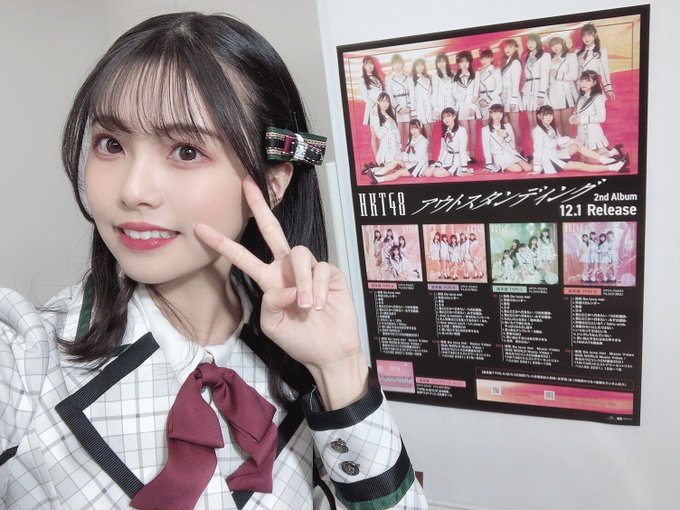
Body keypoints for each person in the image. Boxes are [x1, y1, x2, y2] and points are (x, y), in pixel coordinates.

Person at [0, 13, 426, 509]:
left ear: (272, 181)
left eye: (185, 151)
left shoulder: (300, 363)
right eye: (111, 144)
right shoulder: (26, 361)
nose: (132, 190)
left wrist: (339, 372)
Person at [532, 105, 628, 174]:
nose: (549, 117)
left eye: (550, 115)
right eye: (546, 115)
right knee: (581, 165)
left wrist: (572, 141)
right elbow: (538, 150)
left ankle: (606, 160)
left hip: (555, 154)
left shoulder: (550, 127)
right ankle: (613, 167)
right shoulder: (537, 131)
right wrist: (537, 169)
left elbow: (559, 141)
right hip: (549, 162)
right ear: (539, 116)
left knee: (577, 145)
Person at [568, 70, 623, 159]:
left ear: (594, 83)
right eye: (582, 81)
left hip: (592, 134)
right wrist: (572, 118)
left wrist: (581, 119)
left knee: (593, 161)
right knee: (582, 160)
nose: (583, 83)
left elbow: (601, 118)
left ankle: (613, 152)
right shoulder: (580, 97)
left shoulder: (598, 98)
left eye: (587, 81)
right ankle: (608, 153)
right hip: (581, 133)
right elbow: (576, 112)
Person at [481, 103, 533, 173]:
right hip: (499, 157)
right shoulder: (485, 130)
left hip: (510, 154)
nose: (498, 116)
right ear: (490, 114)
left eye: (500, 113)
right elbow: (486, 148)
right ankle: (521, 162)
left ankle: (532, 161)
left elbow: (512, 146)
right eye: (495, 113)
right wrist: (489, 164)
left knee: (528, 168)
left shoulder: (508, 126)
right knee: (518, 169)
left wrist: (506, 136)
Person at [424, 107, 471, 177]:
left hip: (457, 161)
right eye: (444, 117)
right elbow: (443, 150)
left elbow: (462, 150)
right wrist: (439, 162)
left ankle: (455, 171)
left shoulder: (461, 130)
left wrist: (464, 168)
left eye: (448, 116)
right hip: (446, 160)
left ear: (454, 116)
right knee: (427, 173)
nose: (446, 119)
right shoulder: (446, 131)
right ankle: (442, 168)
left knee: (437, 173)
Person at [547, 34, 578, 136]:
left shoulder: (571, 56)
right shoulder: (550, 59)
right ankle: (563, 145)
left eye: (557, 43)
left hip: (566, 93)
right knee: (557, 124)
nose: (555, 47)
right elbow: (548, 79)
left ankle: (571, 145)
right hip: (553, 94)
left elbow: (574, 75)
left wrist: (558, 74)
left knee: (566, 123)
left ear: (563, 43)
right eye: (552, 45)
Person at [452, 51, 481, 163]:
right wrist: (467, 99)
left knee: (473, 131)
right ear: (458, 64)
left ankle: (472, 155)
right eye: (462, 62)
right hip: (462, 106)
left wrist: (473, 106)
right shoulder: (455, 77)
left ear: (469, 62)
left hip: (473, 106)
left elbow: (476, 92)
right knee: (465, 132)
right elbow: (455, 94)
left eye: (466, 61)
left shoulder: (475, 75)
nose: (464, 64)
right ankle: (466, 154)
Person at [576, 22, 616, 101]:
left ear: (595, 35)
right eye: (584, 35)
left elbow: (604, 71)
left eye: (589, 35)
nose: (586, 38)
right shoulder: (578, 53)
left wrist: (608, 89)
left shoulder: (601, 52)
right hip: (579, 90)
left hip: (593, 88)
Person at [521, 33, 551, 135]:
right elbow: (525, 76)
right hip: (528, 89)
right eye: (528, 42)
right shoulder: (527, 56)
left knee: (541, 118)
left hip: (538, 89)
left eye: (532, 41)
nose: (530, 44)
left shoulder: (545, 55)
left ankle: (546, 141)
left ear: (537, 42)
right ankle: (535, 142)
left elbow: (544, 76)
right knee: (531, 118)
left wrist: (541, 94)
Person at [358, 55, 385, 157]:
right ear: (363, 66)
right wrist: (376, 106)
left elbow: (383, 93)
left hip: (382, 108)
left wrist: (383, 106)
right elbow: (365, 96)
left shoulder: (379, 77)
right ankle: (378, 159)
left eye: (371, 63)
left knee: (382, 134)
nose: (370, 66)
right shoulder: (362, 79)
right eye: (367, 64)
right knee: (375, 135)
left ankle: (383, 157)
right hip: (372, 109)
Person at [500, 39, 524, 153]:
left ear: (515, 48)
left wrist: (513, 100)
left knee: (515, 125)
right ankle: (512, 148)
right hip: (505, 96)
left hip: (512, 96)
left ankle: (519, 149)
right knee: (508, 125)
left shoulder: (515, 62)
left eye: (510, 47)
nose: (508, 49)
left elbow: (516, 82)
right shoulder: (506, 62)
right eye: (506, 47)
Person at [385, 54, 413, 147]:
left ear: (402, 64)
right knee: (398, 135)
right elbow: (389, 95)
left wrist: (409, 106)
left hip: (407, 107)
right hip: (396, 108)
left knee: (409, 133)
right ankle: (400, 153)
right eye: (395, 63)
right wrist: (398, 108)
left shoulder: (407, 76)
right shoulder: (388, 78)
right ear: (392, 65)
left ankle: (408, 152)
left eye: (399, 63)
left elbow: (410, 92)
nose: (397, 66)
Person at [477, 49, 503, 121]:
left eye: (486, 58)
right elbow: (476, 90)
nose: (484, 61)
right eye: (482, 59)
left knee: (496, 123)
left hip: (494, 100)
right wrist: (480, 100)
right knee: (485, 124)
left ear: (492, 59)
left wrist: (487, 100)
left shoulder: (496, 70)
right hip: (482, 103)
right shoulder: (479, 73)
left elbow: (499, 88)